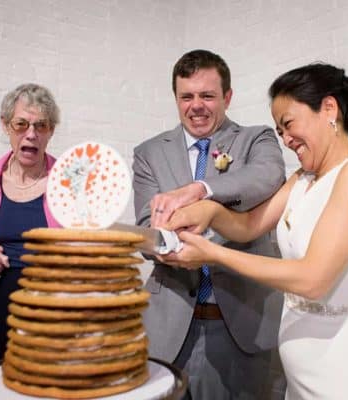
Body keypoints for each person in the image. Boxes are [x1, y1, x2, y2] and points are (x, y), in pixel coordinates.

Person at [162, 63, 348, 399]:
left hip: (345, 367)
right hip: (302, 373)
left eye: (288, 125)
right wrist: (210, 211)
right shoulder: (302, 180)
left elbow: (312, 279)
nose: (286, 140)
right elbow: (248, 226)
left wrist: (212, 253)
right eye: (279, 131)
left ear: (328, 109)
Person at [133, 49, 286, 399]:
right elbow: (147, 225)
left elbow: (265, 178)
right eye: (186, 96)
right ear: (176, 98)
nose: (196, 105)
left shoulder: (256, 139)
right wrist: (164, 246)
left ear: (227, 97)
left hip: (240, 323)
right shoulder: (149, 153)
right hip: (167, 326)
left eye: (207, 95)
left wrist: (202, 189)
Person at [0, 83, 60, 361]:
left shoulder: (69, 180)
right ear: (6, 126)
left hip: (51, 301)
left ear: (51, 131)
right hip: (0, 301)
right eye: (21, 124)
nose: (31, 134)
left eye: (41, 126)